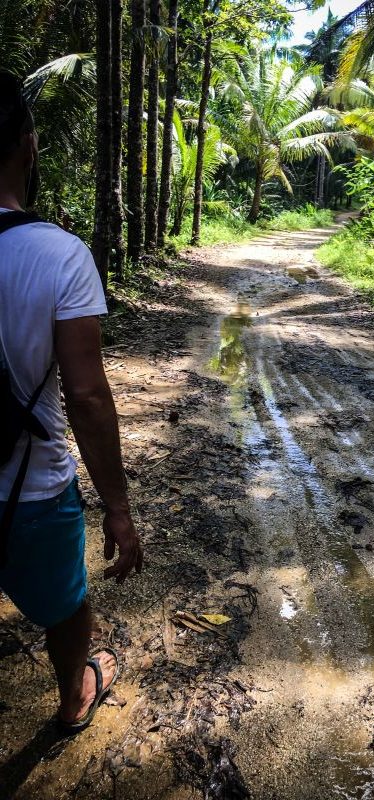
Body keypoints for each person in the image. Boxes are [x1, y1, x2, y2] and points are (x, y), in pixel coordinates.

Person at [0, 72, 143, 733]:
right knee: (66, 606)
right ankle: (73, 699)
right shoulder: (60, 255)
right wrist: (118, 509)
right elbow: (85, 396)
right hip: (30, 490)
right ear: (29, 146)